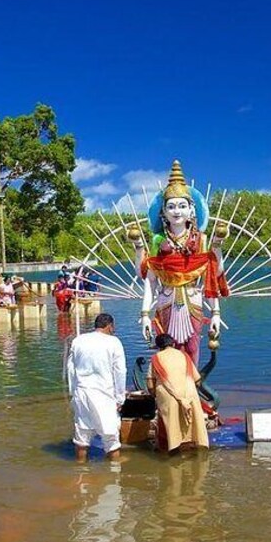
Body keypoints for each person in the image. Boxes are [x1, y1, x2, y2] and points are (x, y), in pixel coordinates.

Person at [133, 160, 229, 365]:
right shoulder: (158, 242)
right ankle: (170, 391)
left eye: (182, 206)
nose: (177, 211)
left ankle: (191, 390)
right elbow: (149, 281)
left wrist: (215, 313)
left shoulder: (201, 240)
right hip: (166, 301)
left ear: (192, 210)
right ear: (164, 212)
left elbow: (213, 275)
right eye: (171, 206)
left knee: (193, 347)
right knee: (168, 349)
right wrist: (145, 315)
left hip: (192, 301)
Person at [66, 313, 126, 461]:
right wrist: (120, 398)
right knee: (111, 438)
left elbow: (70, 370)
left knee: (82, 437)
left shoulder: (78, 340)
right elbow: (120, 371)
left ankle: (81, 473)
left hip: (82, 392)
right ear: (110, 326)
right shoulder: (113, 342)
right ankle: (114, 476)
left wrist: (73, 392)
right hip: (103, 394)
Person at [146, 333, 210, 453]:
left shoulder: (156, 358)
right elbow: (197, 380)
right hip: (189, 394)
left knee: (169, 423)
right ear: (173, 344)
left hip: (169, 396)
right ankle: (192, 447)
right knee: (192, 423)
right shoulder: (184, 355)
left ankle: (170, 449)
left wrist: (153, 394)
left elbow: (150, 382)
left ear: (159, 346)